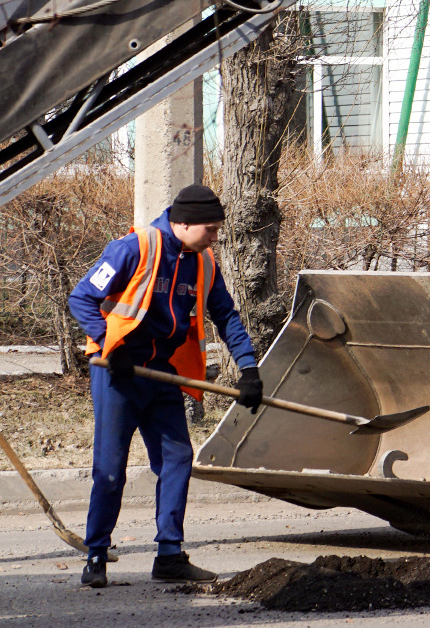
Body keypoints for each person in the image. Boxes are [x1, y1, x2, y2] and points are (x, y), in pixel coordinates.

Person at [69, 184, 261, 588]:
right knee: (109, 470)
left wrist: (248, 369)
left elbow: (225, 315)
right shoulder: (134, 248)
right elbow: (81, 297)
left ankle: (169, 555)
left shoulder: (204, 262)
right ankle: (97, 556)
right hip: (117, 372)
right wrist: (109, 344)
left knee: (176, 460)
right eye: (210, 229)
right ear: (182, 223)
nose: (215, 237)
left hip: (163, 373)